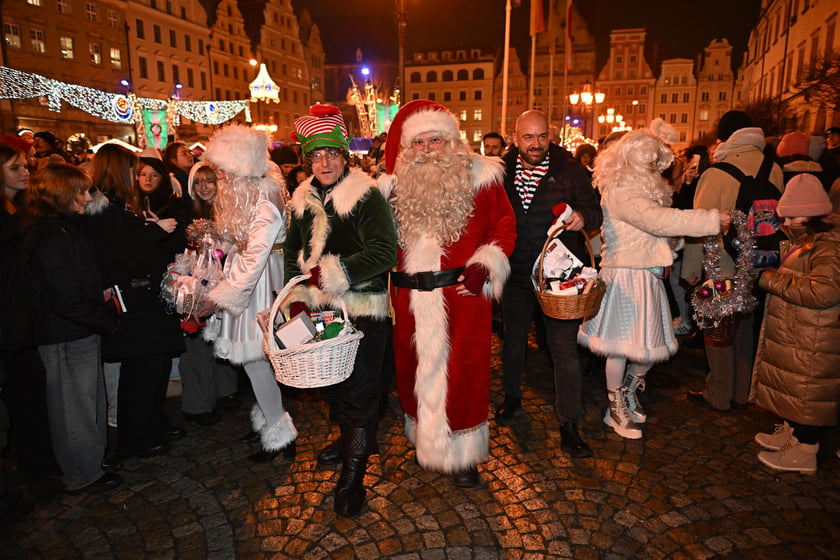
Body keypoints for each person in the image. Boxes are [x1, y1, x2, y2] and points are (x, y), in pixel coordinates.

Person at [380, 99, 515, 487]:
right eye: (418, 143)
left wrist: (485, 263)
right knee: (411, 372)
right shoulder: (391, 188)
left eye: (434, 141)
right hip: (407, 300)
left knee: (464, 375)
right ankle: (422, 439)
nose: (426, 150)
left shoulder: (482, 179)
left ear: (453, 142)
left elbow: (504, 228)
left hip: (463, 297)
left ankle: (462, 455)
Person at [578, 128, 728, 439]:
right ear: (631, 160)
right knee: (620, 346)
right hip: (624, 275)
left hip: (646, 275)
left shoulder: (643, 190)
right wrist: (710, 220)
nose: (652, 168)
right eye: (648, 162)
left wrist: (668, 249)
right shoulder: (621, 190)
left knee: (649, 346)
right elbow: (657, 220)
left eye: (655, 163)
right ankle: (614, 407)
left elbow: (658, 227)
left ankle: (629, 392)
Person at [285, 104, 396, 516]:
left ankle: (352, 480)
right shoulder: (301, 197)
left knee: (361, 395)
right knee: (332, 385)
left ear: (345, 155)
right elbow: (292, 254)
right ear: (307, 159)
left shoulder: (364, 194)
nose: (325, 162)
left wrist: (340, 272)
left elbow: (385, 251)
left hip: (362, 309)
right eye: (316, 155)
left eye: (332, 153)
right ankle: (349, 437)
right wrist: (292, 298)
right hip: (319, 311)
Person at [498, 110, 602, 458]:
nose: (536, 144)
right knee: (513, 343)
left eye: (542, 136)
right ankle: (512, 398)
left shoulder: (569, 169)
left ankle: (569, 423)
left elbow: (595, 209)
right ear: (516, 138)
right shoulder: (499, 172)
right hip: (514, 273)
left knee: (564, 353)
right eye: (528, 137)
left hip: (559, 278)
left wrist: (582, 217)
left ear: (551, 135)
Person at [23, 162, 123, 493]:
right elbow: (64, 297)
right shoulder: (48, 235)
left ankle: (91, 462)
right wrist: (105, 320)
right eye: (81, 190)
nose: (87, 196)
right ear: (61, 194)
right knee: (74, 407)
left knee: (89, 402)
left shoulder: (63, 228)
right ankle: (82, 473)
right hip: (65, 333)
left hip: (78, 329)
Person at [199, 125, 296, 463]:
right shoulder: (246, 190)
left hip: (258, 283)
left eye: (225, 169)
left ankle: (280, 435)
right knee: (256, 363)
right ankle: (270, 418)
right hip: (248, 279)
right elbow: (237, 238)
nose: (220, 177)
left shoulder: (266, 195)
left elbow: (256, 253)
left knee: (256, 360)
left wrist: (227, 293)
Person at [81, 143, 182, 460]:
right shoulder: (102, 209)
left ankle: (152, 424)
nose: (135, 175)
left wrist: (147, 228)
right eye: (131, 169)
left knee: (154, 368)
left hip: (145, 301)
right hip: (133, 305)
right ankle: (138, 436)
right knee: (141, 373)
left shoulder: (120, 205)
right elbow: (116, 257)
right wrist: (152, 232)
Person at [682, 110, 784, 412]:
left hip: (721, 265)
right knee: (745, 327)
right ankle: (742, 393)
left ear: (725, 137)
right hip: (760, 261)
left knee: (717, 329)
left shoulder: (716, 173)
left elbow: (698, 225)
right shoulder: (774, 168)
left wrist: (690, 269)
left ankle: (718, 395)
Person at [749, 173, 840, 474]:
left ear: (809, 214)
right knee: (795, 390)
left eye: (790, 217)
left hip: (814, 337)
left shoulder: (827, 246)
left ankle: (804, 451)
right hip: (802, 331)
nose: (784, 223)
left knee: (805, 394)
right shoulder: (810, 241)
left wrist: (770, 280)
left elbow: (824, 291)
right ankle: (792, 434)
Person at [177, 162, 241, 426]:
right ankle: (198, 404)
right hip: (194, 287)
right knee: (198, 344)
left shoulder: (231, 211)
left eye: (209, 181)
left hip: (227, 285)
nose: (204, 188)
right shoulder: (182, 213)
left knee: (225, 339)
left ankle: (227, 391)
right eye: (198, 182)